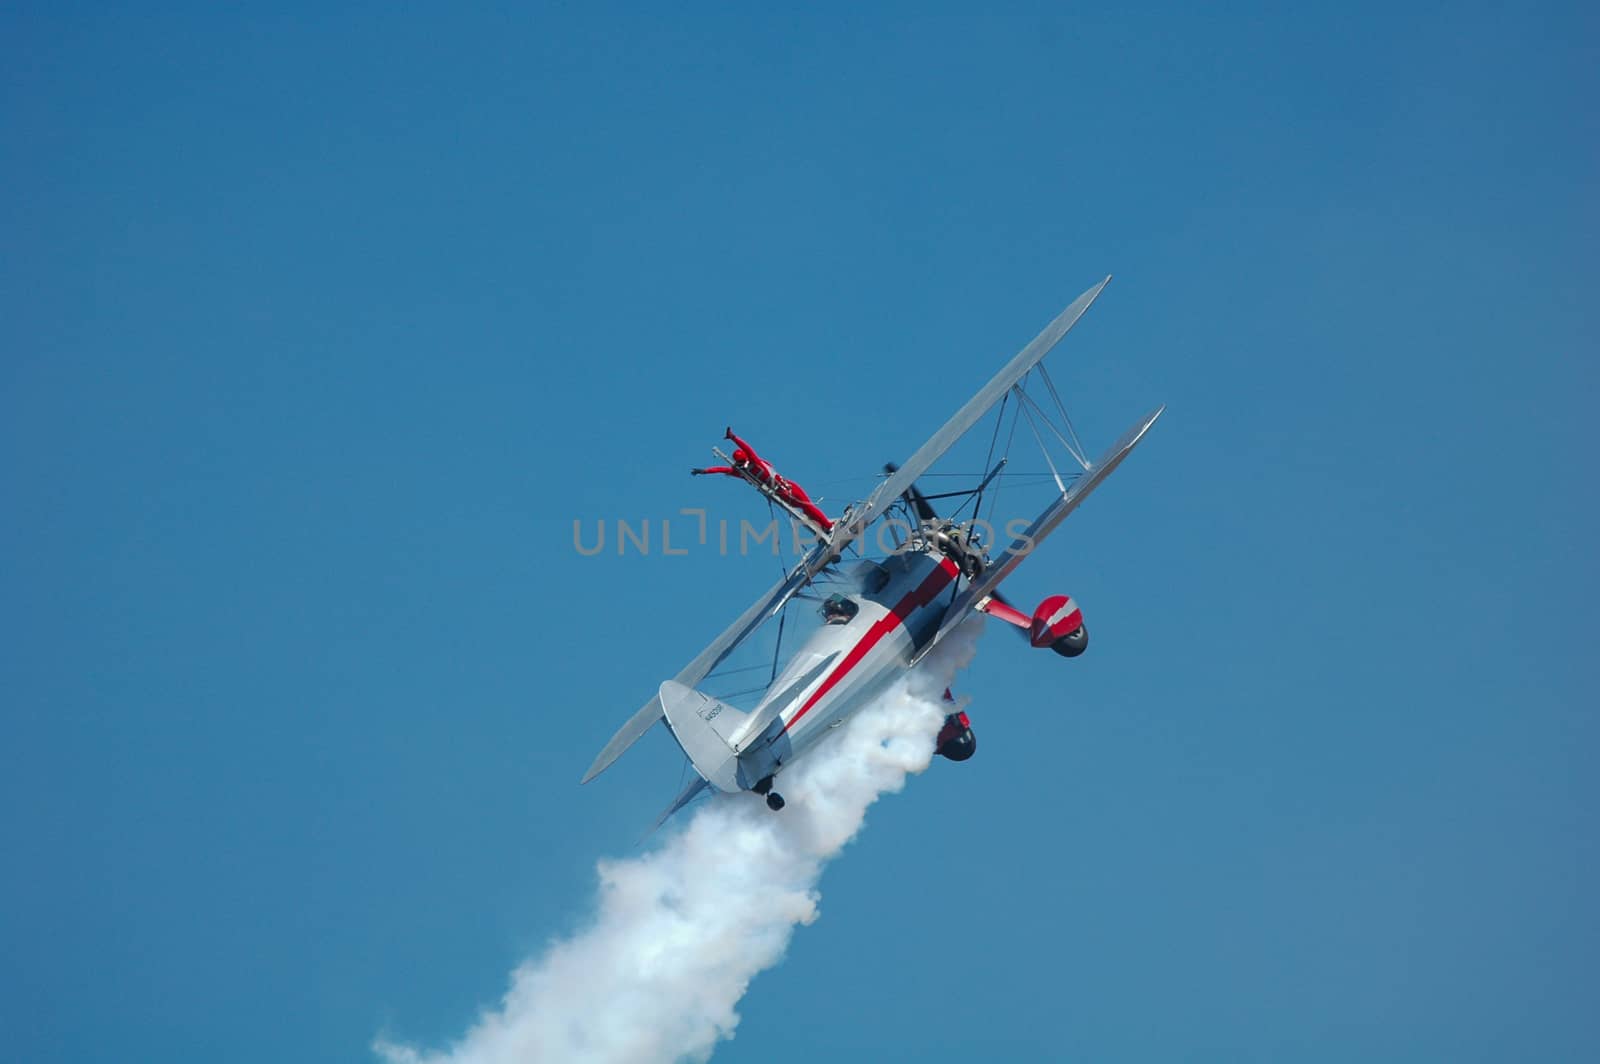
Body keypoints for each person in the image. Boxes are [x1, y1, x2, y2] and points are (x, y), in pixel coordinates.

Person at [691, 427, 832, 530]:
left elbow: (723, 469)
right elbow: (747, 449)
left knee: (805, 510)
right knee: (807, 507)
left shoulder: (745, 474)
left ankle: (824, 526)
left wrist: (704, 471)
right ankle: (827, 526)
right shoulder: (756, 465)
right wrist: (734, 438)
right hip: (788, 488)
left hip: (782, 495)